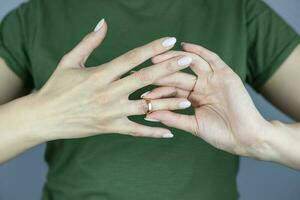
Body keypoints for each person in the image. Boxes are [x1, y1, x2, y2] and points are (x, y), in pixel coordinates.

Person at [0, 0, 299, 199]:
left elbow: (263, 138)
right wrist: (44, 113)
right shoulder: (35, 16)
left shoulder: (238, 11)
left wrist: (262, 138)